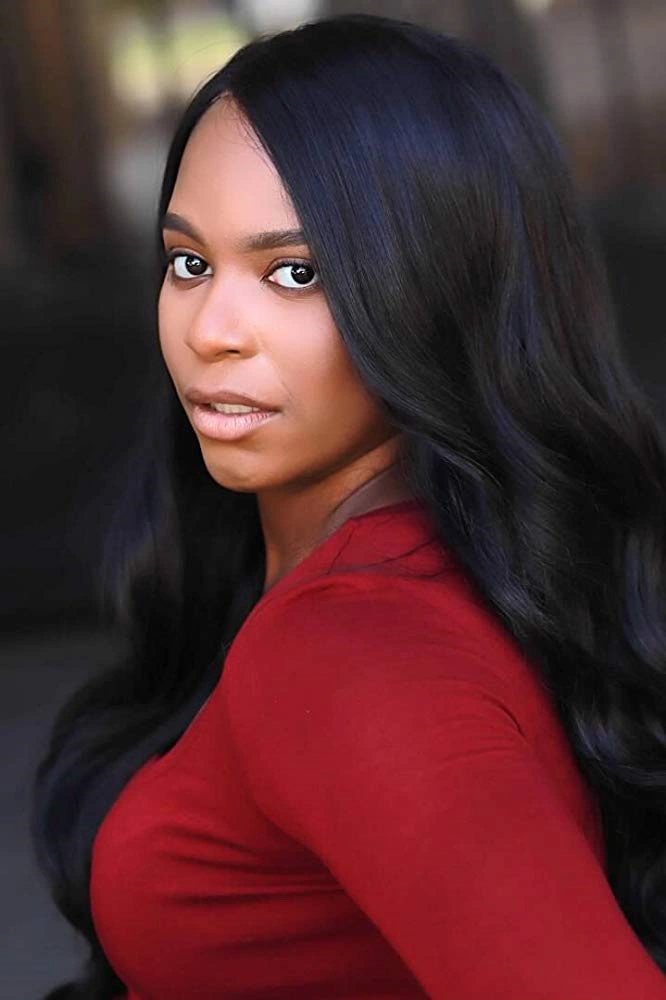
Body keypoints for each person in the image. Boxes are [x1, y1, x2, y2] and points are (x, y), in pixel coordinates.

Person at [32, 14, 666, 1000]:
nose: (212, 328)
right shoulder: (412, 573)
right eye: (189, 261)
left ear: (438, 294)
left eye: (296, 272)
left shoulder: (351, 648)